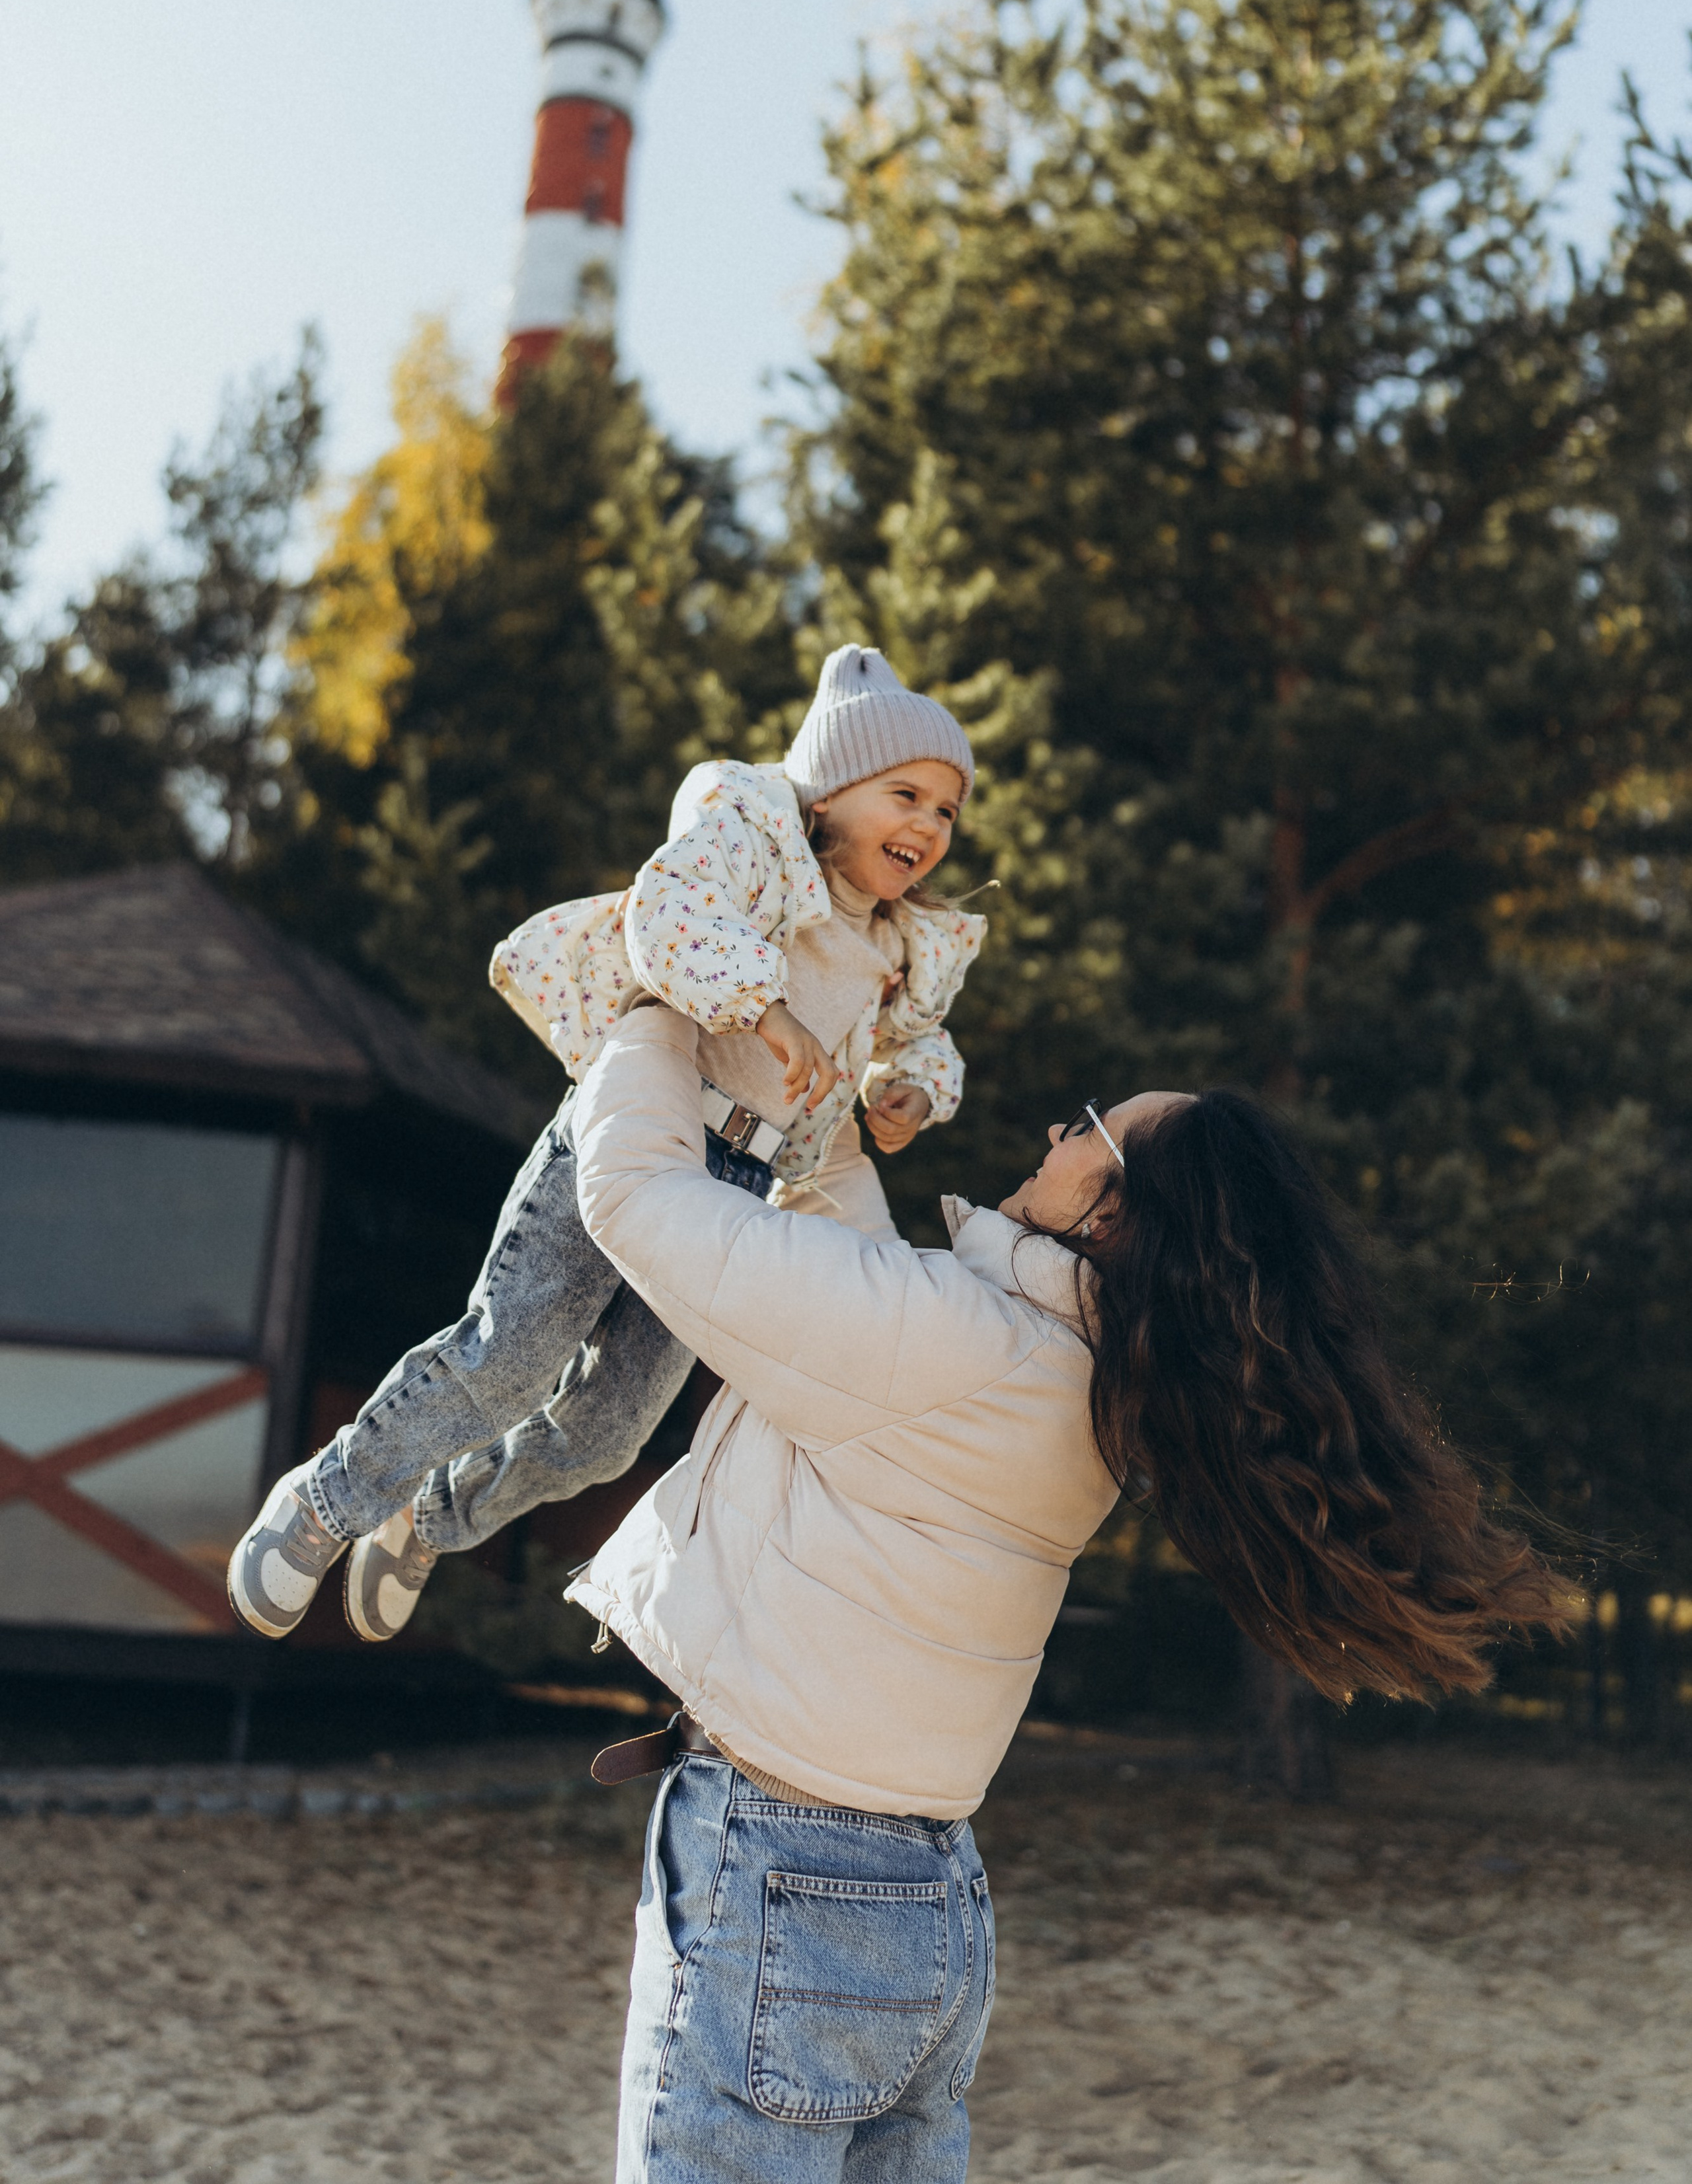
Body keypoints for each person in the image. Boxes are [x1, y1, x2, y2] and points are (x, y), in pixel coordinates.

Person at [562, 1011, 1569, 2180]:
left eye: (1091, 1128)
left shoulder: (951, 1344)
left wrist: (653, 1008)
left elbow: (633, 1195)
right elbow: (853, 1277)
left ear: (1113, 1214)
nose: (1055, 1127)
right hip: (923, 1899)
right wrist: (829, 1095)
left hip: (782, 1867)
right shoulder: (1082, 1391)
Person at [226, 647, 987, 1645]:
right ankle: (328, 1499)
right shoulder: (747, 841)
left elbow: (927, 1044)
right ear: (831, 788)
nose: (928, 827)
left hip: (737, 1186)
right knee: (510, 1357)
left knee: (608, 1433)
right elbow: (666, 919)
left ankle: (433, 1515)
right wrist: (765, 1008)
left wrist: (908, 1097)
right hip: (640, 1119)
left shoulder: (900, 945)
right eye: (907, 795)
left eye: (947, 813)